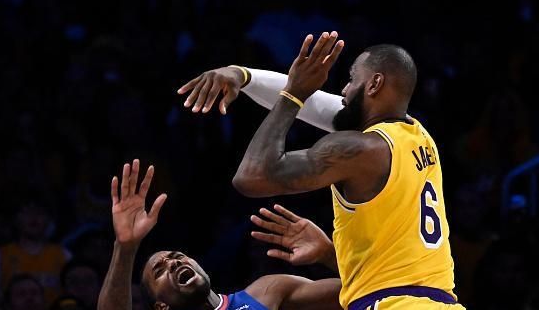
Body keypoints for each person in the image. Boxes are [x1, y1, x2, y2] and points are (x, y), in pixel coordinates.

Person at [178, 32, 465, 309]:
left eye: (352, 79)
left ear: (374, 84)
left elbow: (252, 176)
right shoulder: (418, 137)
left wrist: (293, 94)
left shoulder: (362, 150)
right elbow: (321, 107)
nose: (343, 89)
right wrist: (242, 75)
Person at [97, 159, 342, 310]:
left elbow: (363, 295)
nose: (173, 262)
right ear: (162, 306)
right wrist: (125, 247)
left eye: (178, 256)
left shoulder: (267, 292)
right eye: (159, 271)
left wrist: (329, 255)